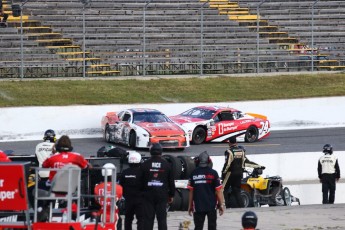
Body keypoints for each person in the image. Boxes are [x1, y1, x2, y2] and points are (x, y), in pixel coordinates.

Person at [221, 136, 263, 208]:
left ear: (229, 143)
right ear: (236, 143)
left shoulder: (229, 151)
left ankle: (226, 206)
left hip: (230, 173)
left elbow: (227, 164)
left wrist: (223, 173)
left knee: (224, 189)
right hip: (239, 173)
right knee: (237, 190)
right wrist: (259, 166)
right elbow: (246, 162)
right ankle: (241, 207)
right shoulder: (241, 151)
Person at [141, 143, 175, 230]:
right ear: (161, 152)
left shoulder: (145, 164)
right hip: (162, 195)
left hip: (148, 195)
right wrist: (171, 195)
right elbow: (171, 181)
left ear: (150, 151)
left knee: (148, 219)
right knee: (162, 219)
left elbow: (140, 181)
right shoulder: (166, 164)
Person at [187, 151, 224, 230]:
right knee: (212, 227)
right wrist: (221, 205)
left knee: (198, 227)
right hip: (211, 206)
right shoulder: (213, 173)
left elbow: (191, 191)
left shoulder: (193, 173)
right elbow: (218, 191)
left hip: (198, 206)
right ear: (208, 161)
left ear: (198, 161)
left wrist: (190, 206)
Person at [119, 151, 144, 230]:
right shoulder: (142, 173)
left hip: (128, 199)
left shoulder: (124, 172)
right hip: (140, 199)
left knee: (128, 219)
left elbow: (121, 185)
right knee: (141, 219)